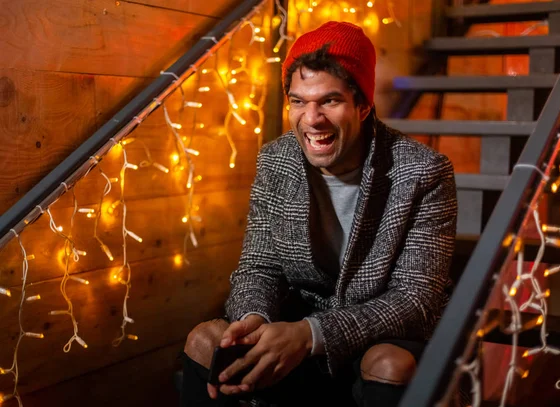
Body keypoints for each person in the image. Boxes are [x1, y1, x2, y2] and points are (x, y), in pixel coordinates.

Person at [181, 21, 457, 407]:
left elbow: (414, 299)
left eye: (329, 100)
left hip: (382, 332)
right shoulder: (275, 160)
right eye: (298, 101)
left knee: (390, 364)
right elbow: (259, 266)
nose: (311, 119)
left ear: (362, 105)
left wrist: (310, 335)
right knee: (206, 340)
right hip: (296, 318)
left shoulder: (423, 172)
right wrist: (254, 322)